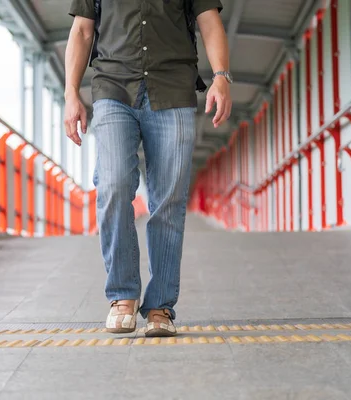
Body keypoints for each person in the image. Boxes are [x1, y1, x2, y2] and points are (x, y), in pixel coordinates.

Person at [64, 0, 232, 337]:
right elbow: (82, 30)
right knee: (113, 185)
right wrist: (71, 93)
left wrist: (221, 77)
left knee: (167, 201)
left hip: (173, 89)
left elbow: (209, 21)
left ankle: (160, 306)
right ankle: (123, 295)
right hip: (113, 87)